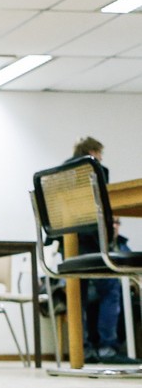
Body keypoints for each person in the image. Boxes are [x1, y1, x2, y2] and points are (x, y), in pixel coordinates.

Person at [69, 137, 136, 364]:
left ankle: (82, 349)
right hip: (93, 245)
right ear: (92, 152)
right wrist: (109, 235)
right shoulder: (95, 171)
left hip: (70, 249)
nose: (101, 159)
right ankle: (108, 347)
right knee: (111, 289)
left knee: (77, 296)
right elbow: (103, 209)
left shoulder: (62, 176)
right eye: (100, 154)